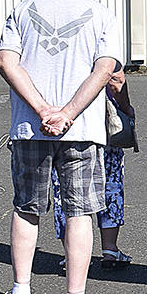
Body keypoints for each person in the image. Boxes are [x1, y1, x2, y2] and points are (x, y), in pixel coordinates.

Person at [0, 0, 123, 294]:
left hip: (30, 128)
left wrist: (41, 110)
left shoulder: (24, 8)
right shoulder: (101, 15)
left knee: (26, 209)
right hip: (81, 129)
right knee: (79, 211)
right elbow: (106, 71)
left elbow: (6, 62)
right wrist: (66, 113)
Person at [53, 70, 133, 268]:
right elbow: (117, 80)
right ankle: (110, 249)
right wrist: (125, 107)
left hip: (61, 126)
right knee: (109, 183)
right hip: (99, 126)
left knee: (64, 190)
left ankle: (71, 254)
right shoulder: (98, 39)